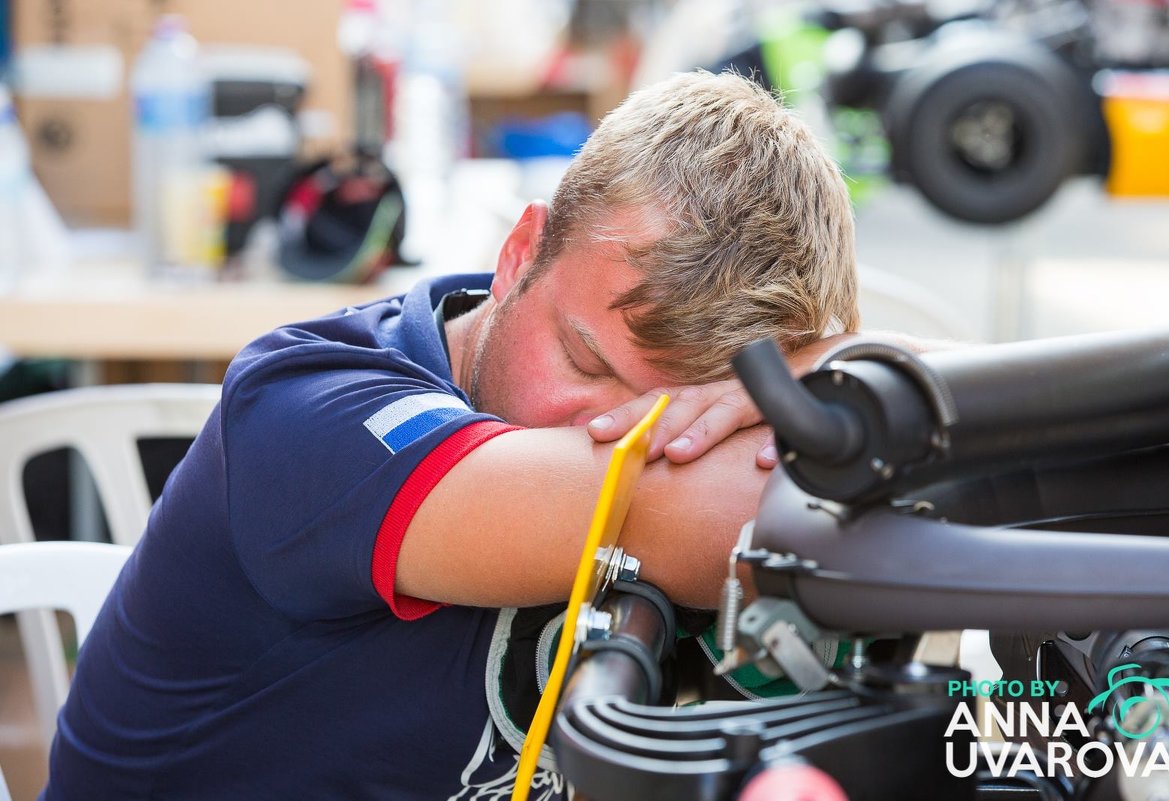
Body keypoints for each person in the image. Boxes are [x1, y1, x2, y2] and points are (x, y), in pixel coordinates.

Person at [43, 71, 860, 800]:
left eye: (691, 416)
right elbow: (820, 505)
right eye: (584, 359)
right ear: (518, 252)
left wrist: (838, 363)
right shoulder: (306, 412)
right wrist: (856, 387)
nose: (605, 429)